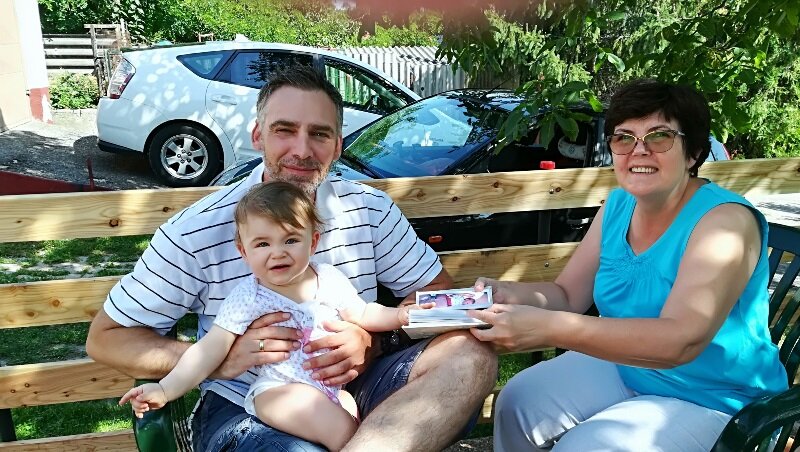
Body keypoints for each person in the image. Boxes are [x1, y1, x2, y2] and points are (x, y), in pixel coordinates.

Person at [86, 66, 497, 452]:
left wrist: (373, 342)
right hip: (252, 401)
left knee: (469, 356)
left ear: (337, 146)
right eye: (284, 130)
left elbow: (434, 291)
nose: (302, 150)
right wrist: (223, 360)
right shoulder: (197, 231)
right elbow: (106, 338)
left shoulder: (368, 210)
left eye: (319, 134)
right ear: (258, 136)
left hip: (356, 386)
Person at [468, 79, 788, 451]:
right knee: (518, 401)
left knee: (587, 447)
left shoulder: (725, 222)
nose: (639, 150)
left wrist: (549, 328)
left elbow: (680, 342)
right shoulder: (618, 206)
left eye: (659, 137)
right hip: (630, 366)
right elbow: (567, 295)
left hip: (717, 397)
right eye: (624, 138)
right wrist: (509, 293)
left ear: (693, 153)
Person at [119, 181, 434, 451]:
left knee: (357, 419)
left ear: (313, 242)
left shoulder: (328, 279)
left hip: (332, 392)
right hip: (278, 392)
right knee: (344, 432)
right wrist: (165, 389)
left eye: (291, 240)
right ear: (244, 252)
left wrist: (401, 316)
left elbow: (364, 313)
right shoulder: (249, 297)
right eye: (262, 243)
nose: (278, 252)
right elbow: (207, 351)